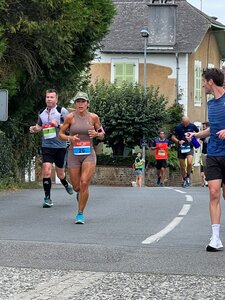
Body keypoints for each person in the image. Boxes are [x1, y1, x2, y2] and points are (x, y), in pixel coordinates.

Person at [187, 68, 225, 251]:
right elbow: (213, 129)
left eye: (203, 81)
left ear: (210, 81)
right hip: (214, 153)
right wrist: (197, 134)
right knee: (213, 192)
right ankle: (215, 238)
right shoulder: (211, 104)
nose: (202, 84)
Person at [58, 91, 104, 224]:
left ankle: (80, 213)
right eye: (78, 101)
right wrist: (69, 137)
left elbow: (102, 134)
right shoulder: (70, 117)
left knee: (84, 182)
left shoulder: (94, 117)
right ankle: (80, 193)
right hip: (73, 154)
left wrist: (97, 134)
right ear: (75, 104)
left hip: (89, 153)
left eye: (83, 101)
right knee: (77, 187)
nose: (80, 104)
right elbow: (60, 134)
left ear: (87, 104)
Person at [29, 89, 74, 207]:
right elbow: (39, 126)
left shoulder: (62, 111)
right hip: (47, 146)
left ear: (56, 99)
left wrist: (58, 125)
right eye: (47, 97)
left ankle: (65, 183)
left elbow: (71, 127)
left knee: (60, 174)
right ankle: (47, 199)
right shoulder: (42, 113)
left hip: (60, 146)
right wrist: (34, 129)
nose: (49, 99)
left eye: (51, 97)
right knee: (47, 169)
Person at [171, 116, 199, 187]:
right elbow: (172, 137)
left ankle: (188, 176)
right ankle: (184, 179)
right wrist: (178, 141)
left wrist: (194, 139)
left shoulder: (192, 126)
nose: (186, 125)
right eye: (184, 123)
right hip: (181, 147)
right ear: (182, 122)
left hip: (190, 146)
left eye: (187, 123)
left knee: (189, 163)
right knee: (182, 166)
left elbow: (198, 133)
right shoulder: (178, 127)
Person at [200, 122, 210, 187]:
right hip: (204, 152)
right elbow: (200, 141)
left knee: (210, 167)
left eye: (204, 126)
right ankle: (206, 180)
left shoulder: (212, 133)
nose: (203, 128)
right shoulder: (203, 134)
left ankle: (208, 180)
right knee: (205, 167)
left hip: (210, 153)